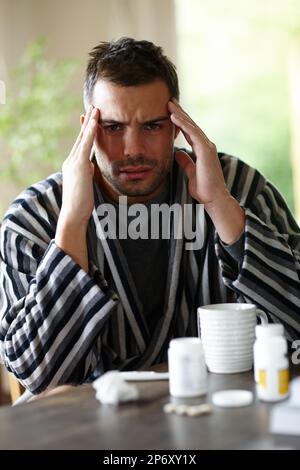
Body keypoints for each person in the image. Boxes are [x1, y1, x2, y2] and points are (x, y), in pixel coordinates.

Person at [1, 37, 300, 396]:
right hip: (87, 430)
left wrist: (220, 203)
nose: (133, 150)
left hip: (222, 415)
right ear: (87, 130)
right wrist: (72, 225)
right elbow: (39, 374)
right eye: (113, 128)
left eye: (153, 126)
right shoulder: (34, 218)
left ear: (178, 125)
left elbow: (294, 328)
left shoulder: (238, 187)